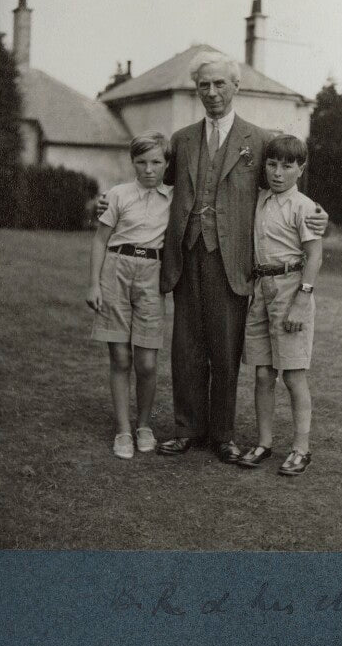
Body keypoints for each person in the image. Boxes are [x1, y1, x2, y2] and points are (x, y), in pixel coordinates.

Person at [98, 51, 328, 463]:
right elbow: (149, 181)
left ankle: (222, 434)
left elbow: (283, 183)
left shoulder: (258, 140)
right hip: (185, 256)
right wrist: (111, 200)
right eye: (204, 85)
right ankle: (188, 429)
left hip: (233, 259)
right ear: (197, 90)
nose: (212, 92)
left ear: (236, 87)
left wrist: (316, 212)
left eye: (220, 83)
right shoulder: (182, 140)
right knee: (186, 348)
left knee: (226, 349)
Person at [237, 135, 322, 476]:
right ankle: (264, 442)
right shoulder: (258, 200)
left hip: (291, 287)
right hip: (261, 288)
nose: (278, 172)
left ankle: (301, 449)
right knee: (262, 373)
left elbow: (315, 256)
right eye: (272, 164)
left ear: (301, 169)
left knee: (294, 377)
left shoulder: (305, 207)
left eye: (288, 166)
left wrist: (302, 299)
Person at [86, 131, 172, 459]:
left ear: (166, 164)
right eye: (141, 162)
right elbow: (99, 240)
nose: (149, 169)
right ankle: (123, 430)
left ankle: (144, 425)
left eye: (156, 162)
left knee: (147, 362)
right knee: (121, 357)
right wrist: (94, 284)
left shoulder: (174, 198)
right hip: (116, 270)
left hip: (153, 274)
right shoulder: (118, 195)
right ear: (132, 162)